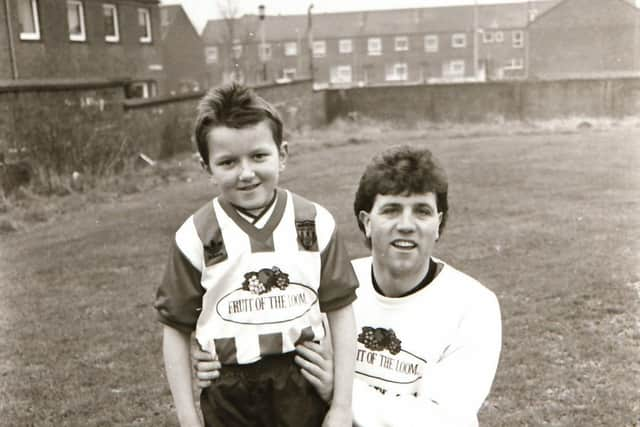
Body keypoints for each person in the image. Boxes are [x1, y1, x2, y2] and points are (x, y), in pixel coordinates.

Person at [195, 145, 502, 427]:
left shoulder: (474, 305)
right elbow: (263, 336)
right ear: (367, 221)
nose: (406, 224)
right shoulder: (330, 286)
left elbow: (443, 420)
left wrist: (343, 393)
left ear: (438, 223)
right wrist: (211, 360)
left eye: (422, 211)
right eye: (391, 209)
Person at [154, 83, 358, 427]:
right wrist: (188, 418)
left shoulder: (314, 222)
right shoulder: (195, 234)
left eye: (258, 156)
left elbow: (341, 312)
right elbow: (175, 328)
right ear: (206, 167)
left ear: (283, 154)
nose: (246, 172)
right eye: (228, 162)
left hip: (301, 382)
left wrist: (340, 406)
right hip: (228, 391)